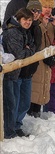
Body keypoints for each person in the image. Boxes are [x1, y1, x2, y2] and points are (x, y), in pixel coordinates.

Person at [29, 0, 55, 118]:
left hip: (47, 59)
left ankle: (37, 112)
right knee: (35, 86)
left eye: (50, 7)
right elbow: (37, 40)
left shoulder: (51, 20)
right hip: (37, 59)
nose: (48, 10)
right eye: (45, 7)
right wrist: (44, 25)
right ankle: (31, 113)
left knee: (43, 85)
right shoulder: (35, 21)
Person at [2, 8, 36, 139]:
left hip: (20, 73)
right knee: (11, 104)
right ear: (19, 19)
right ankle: (8, 132)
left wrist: (28, 49)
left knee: (22, 103)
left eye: (30, 20)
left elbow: (33, 46)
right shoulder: (12, 33)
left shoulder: (24, 31)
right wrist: (27, 50)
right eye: (25, 20)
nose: (28, 23)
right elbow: (19, 54)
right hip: (9, 74)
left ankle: (15, 126)